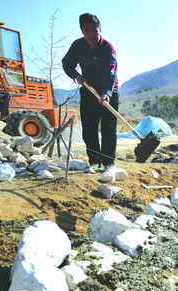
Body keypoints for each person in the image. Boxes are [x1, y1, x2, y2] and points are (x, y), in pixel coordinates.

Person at [62, 13, 118, 174]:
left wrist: (106, 94)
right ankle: (95, 161)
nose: (92, 35)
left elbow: (111, 74)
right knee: (89, 127)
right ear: (82, 31)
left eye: (95, 31)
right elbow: (67, 64)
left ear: (100, 29)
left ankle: (109, 163)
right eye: (87, 32)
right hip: (88, 89)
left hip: (109, 90)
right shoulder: (77, 46)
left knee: (108, 128)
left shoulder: (108, 48)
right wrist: (76, 76)